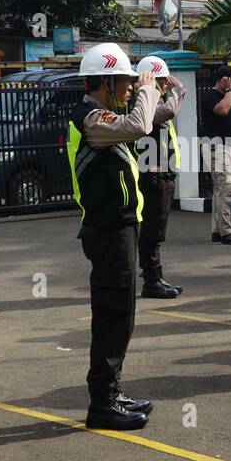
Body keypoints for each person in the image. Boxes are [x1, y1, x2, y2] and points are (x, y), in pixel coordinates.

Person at [67, 43, 158, 430]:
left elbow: (152, 117)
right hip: (107, 232)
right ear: (104, 81)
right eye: (122, 82)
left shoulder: (105, 115)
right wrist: (148, 89)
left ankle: (112, 391)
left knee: (121, 315)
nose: (128, 88)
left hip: (119, 229)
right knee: (112, 316)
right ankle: (102, 402)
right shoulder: (91, 119)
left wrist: (156, 91)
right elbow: (141, 124)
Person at [134, 55, 186, 299]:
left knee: (157, 228)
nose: (167, 84)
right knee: (152, 229)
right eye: (163, 80)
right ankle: (151, 280)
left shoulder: (153, 100)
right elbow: (168, 111)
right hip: (152, 175)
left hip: (162, 173)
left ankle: (155, 276)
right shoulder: (146, 104)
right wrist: (178, 92)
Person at [201, 63, 231, 244]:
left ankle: (218, 230)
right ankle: (227, 231)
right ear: (225, 80)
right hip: (216, 147)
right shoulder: (211, 96)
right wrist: (228, 91)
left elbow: (229, 125)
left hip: (225, 146)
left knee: (220, 191)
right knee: (225, 190)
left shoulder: (226, 97)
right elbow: (222, 110)